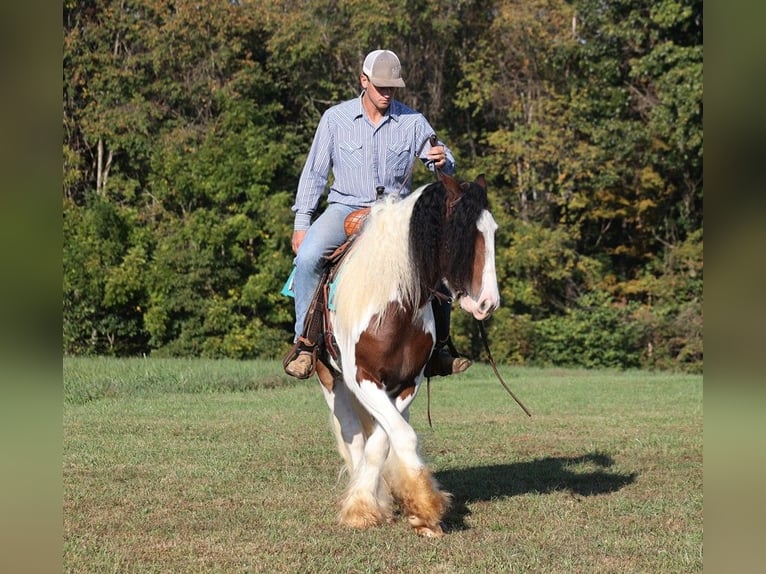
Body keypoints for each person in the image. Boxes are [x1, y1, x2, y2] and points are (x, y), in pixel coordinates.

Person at [284, 49, 471, 379]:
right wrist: (302, 224)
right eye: (381, 86)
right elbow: (313, 174)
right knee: (309, 257)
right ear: (364, 81)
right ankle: (305, 344)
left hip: (395, 215)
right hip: (344, 209)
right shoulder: (334, 119)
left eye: (392, 88)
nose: (387, 93)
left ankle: (440, 348)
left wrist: (444, 160)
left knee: (436, 263)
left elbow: (442, 162)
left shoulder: (412, 122)